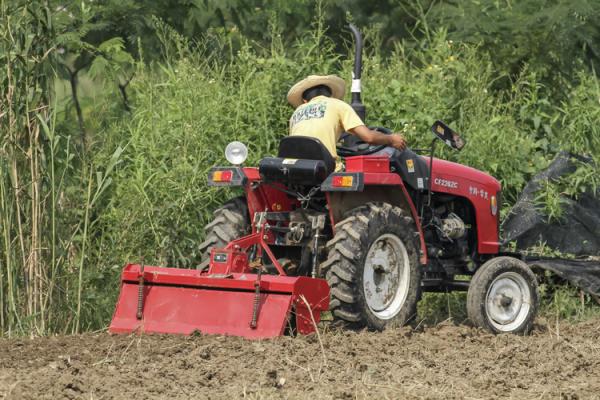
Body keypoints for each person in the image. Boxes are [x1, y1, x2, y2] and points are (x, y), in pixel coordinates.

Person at [286, 75, 407, 165]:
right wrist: (391, 139)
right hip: (323, 167)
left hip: (294, 167)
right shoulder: (337, 104)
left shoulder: (296, 113)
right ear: (330, 95)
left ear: (305, 101)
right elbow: (369, 137)